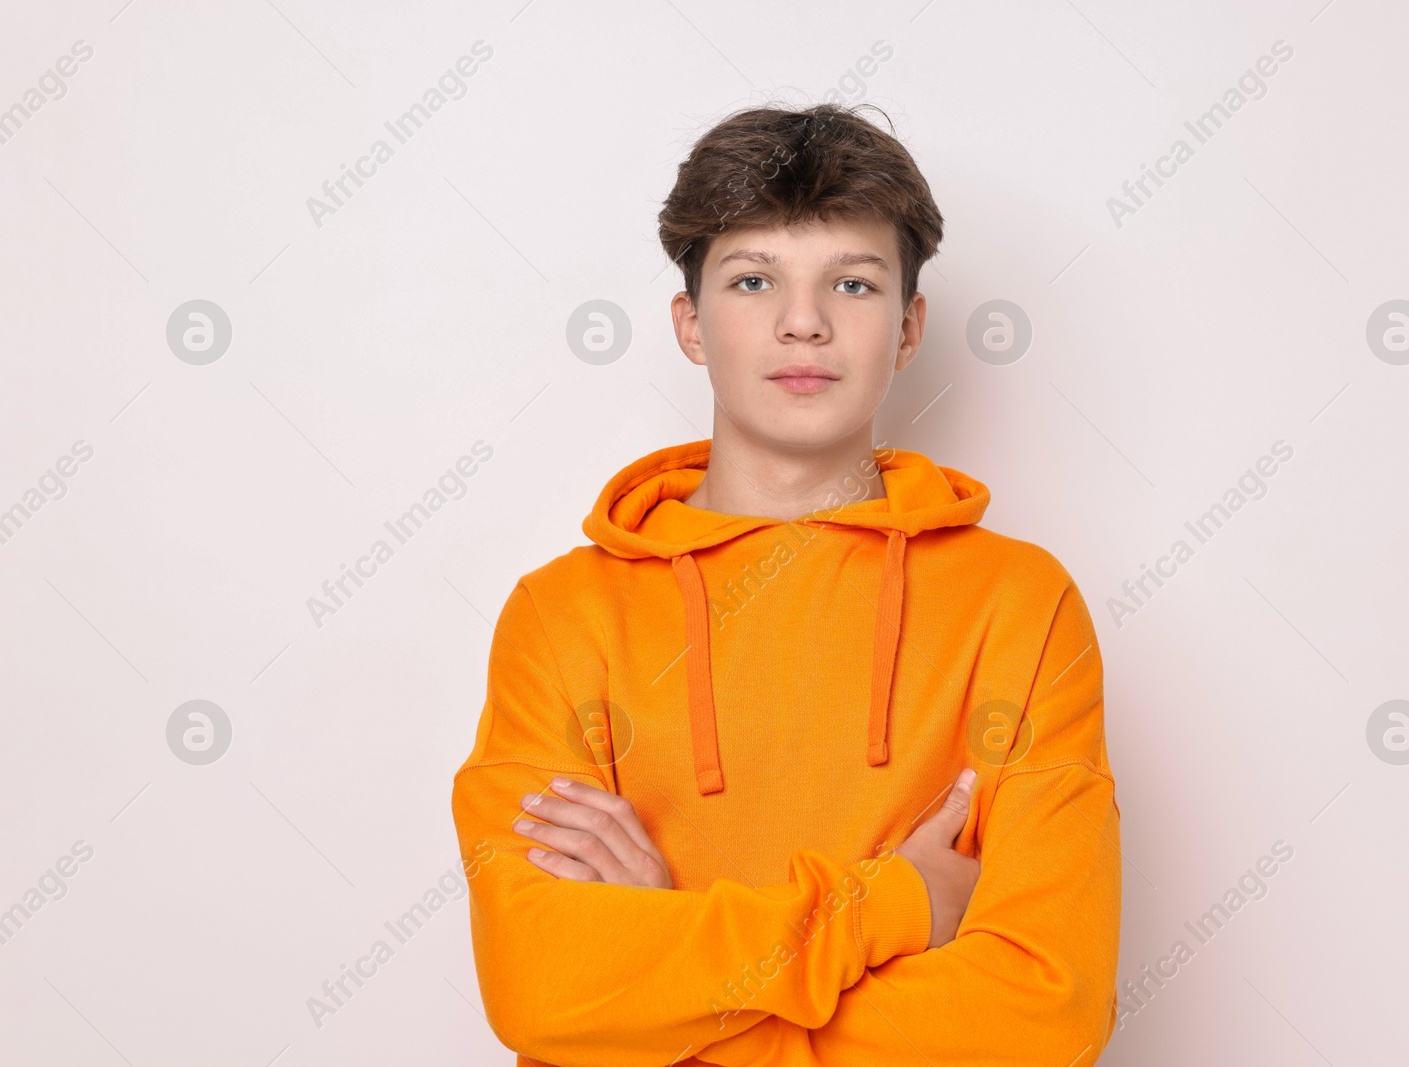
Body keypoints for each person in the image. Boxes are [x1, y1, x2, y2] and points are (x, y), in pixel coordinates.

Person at [451, 101, 1121, 1067]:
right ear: (689, 323)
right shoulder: (562, 617)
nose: (802, 322)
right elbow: (543, 986)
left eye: (852, 283)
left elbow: (1041, 1015)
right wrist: (896, 906)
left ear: (907, 327)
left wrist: (673, 975)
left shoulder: (1020, 604)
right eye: (754, 279)